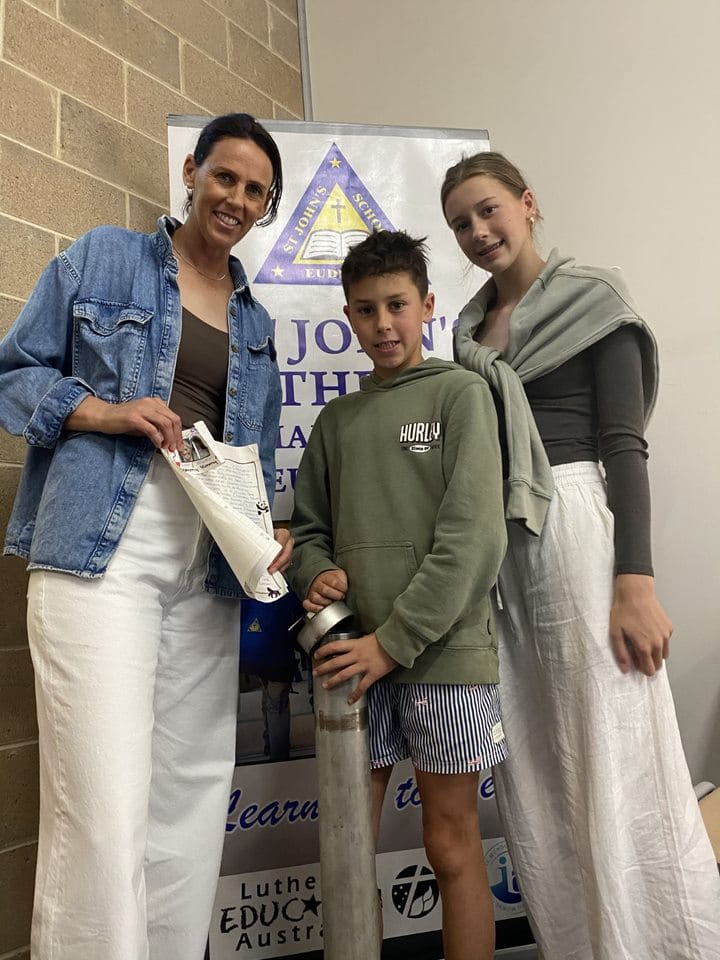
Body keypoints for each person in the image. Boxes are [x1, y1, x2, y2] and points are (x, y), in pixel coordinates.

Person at [0, 113, 292, 960]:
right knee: (102, 807)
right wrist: (104, 412)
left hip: (205, 569)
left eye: (256, 192)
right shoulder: (103, 258)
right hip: (103, 552)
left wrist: (263, 529)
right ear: (193, 171)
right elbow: (14, 373)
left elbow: (253, 456)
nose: (236, 198)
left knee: (190, 803)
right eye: (225, 177)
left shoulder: (259, 325)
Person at [441, 151, 720, 960]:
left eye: (489, 210)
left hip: (577, 536)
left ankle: (664, 944)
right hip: (503, 554)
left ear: (528, 205)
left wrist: (635, 582)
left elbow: (624, 448)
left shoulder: (593, 301)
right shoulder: (467, 334)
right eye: (461, 221)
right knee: (540, 765)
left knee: (617, 756)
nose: (477, 231)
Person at [288, 230, 508, 960]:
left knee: (450, 845)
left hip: (441, 657)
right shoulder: (335, 423)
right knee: (347, 847)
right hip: (350, 659)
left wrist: (396, 641)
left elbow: (474, 538)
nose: (383, 324)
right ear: (348, 317)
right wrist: (313, 573)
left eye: (397, 305)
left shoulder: (461, 396)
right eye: (365, 310)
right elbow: (310, 533)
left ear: (427, 306)